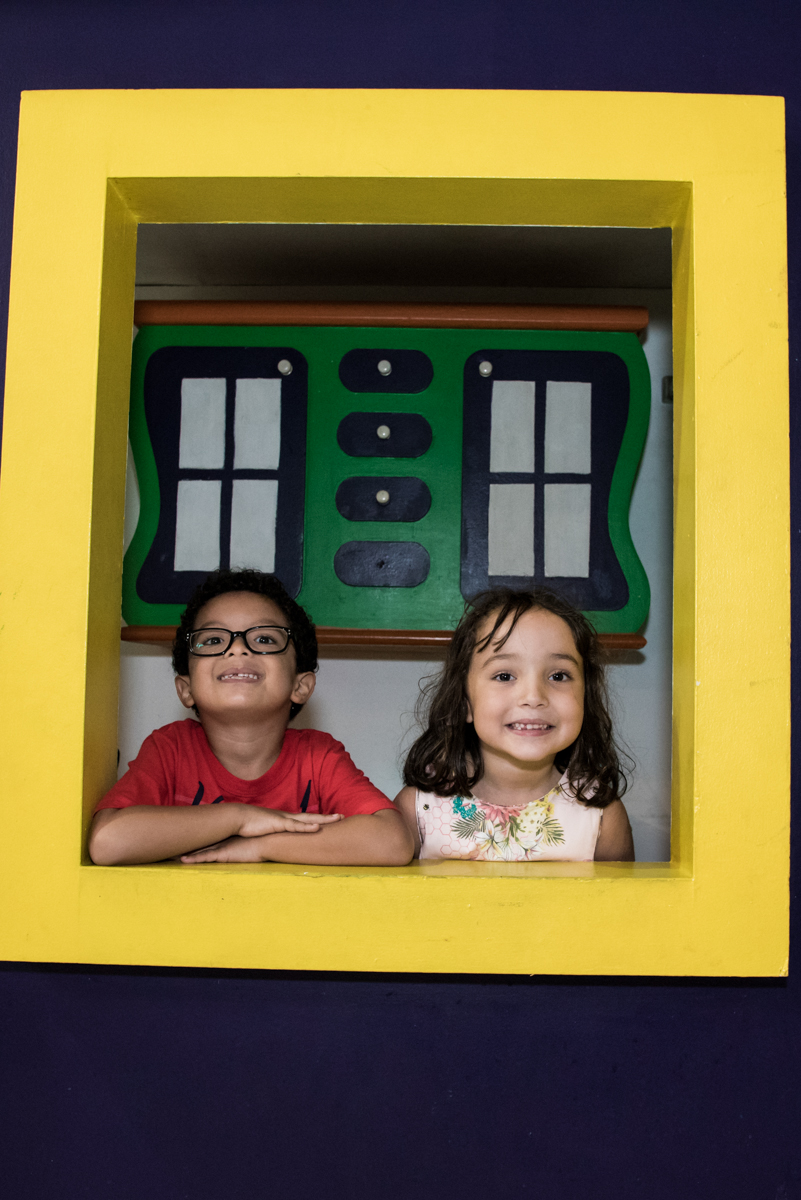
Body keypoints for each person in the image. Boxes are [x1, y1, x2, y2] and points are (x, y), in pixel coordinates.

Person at [89, 569, 413, 867]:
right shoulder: (170, 750)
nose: (238, 648)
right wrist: (240, 818)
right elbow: (107, 842)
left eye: (265, 639)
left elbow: (393, 841)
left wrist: (260, 846)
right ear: (185, 689)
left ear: (300, 686)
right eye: (213, 640)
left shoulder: (318, 758)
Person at [395, 587, 634, 862]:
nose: (533, 697)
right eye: (505, 675)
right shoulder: (417, 808)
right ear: (464, 702)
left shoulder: (602, 815)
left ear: (585, 696)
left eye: (558, 676)